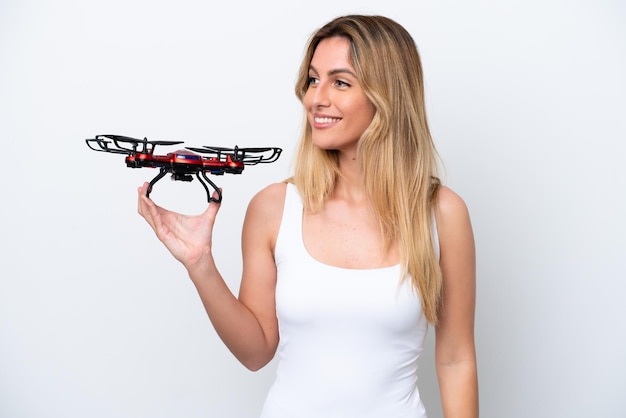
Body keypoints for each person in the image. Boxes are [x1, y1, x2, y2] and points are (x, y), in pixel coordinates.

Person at [138, 14, 478, 418]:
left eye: (340, 82)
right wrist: (200, 264)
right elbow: (255, 351)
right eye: (313, 80)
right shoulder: (273, 208)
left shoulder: (442, 214)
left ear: (387, 95)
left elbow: (456, 360)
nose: (316, 98)